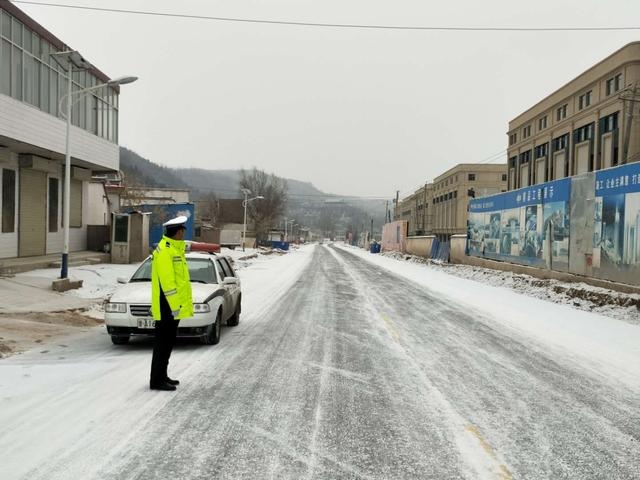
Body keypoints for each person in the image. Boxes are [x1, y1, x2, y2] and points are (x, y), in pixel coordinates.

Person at [149, 215, 193, 391]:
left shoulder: (174, 249)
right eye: (182, 231)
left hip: (171, 306)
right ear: (177, 232)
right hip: (166, 306)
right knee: (162, 344)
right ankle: (156, 380)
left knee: (167, 343)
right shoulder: (165, 251)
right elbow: (168, 284)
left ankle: (162, 375)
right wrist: (175, 307)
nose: (183, 234)